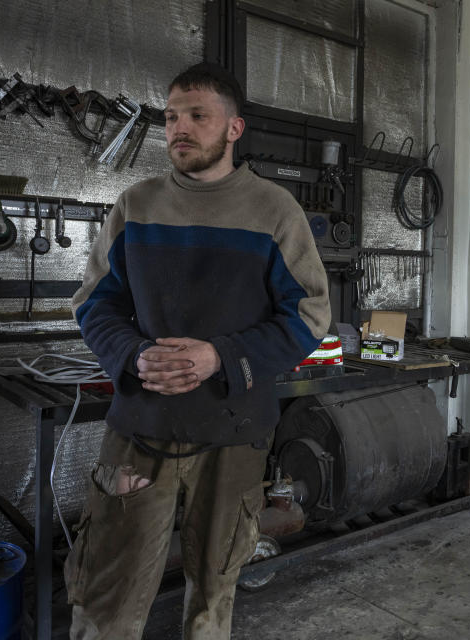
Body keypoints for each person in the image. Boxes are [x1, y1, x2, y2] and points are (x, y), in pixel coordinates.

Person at [66, 62, 331, 639]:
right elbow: (92, 304)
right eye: (170, 117)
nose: (179, 129)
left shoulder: (276, 211)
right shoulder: (135, 206)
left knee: (214, 593)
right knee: (107, 594)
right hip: (140, 432)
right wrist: (133, 356)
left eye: (196, 116)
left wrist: (221, 358)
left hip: (234, 436)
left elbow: (309, 314)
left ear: (234, 128)